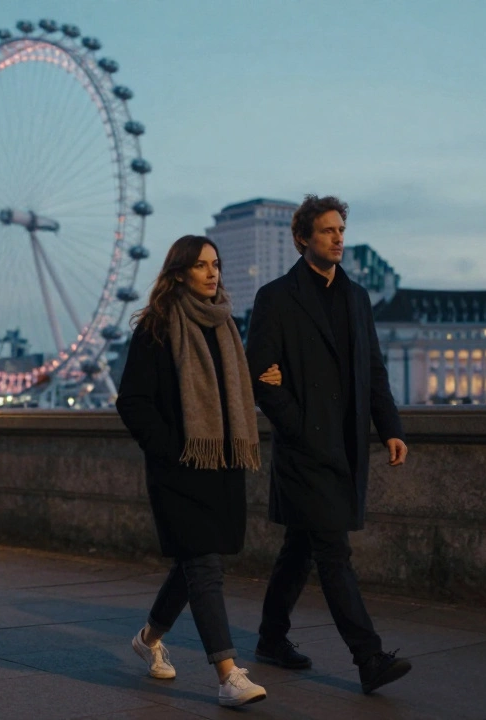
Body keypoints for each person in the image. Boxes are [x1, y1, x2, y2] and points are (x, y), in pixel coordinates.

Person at [245, 194, 412, 695]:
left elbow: (373, 370)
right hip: (305, 449)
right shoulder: (276, 297)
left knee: (301, 547)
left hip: (347, 445)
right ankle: (369, 657)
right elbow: (261, 374)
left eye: (341, 230)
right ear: (302, 239)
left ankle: (270, 638)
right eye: (327, 231)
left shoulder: (358, 297)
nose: (338, 238)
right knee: (334, 551)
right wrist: (297, 426)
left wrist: (391, 427)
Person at [116, 235, 275, 707]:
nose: (212, 273)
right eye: (202, 265)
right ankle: (228, 676)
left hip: (220, 466)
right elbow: (132, 401)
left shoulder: (224, 325)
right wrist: (171, 449)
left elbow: (228, 394)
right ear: (180, 271)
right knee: (204, 566)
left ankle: (148, 639)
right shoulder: (156, 327)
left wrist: (260, 380)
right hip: (178, 470)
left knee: (194, 565)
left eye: (216, 264)